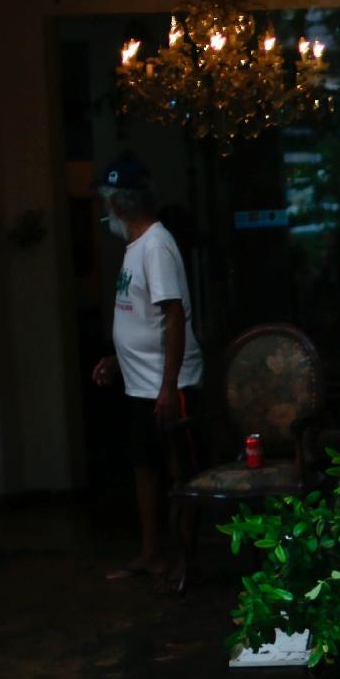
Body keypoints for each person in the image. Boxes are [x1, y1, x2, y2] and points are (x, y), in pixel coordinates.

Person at [89, 154, 203, 586]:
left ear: (119, 203)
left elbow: (174, 316)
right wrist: (119, 360)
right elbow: (144, 318)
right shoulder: (137, 246)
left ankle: (185, 561)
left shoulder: (156, 245)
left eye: (106, 202)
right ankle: (152, 554)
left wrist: (169, 387)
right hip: (141, 384)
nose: (105, 211)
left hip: (167, 385)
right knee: (145, 466)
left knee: (180, 473)